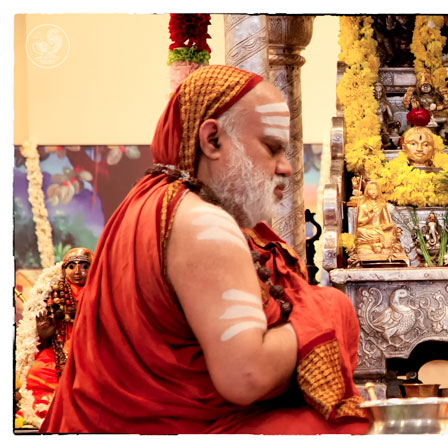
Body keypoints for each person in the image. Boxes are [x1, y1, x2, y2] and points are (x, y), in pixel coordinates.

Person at [41, 65, 369, 434]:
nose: (286, 167)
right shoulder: (203, 223)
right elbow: (247, 375)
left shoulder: (148, 203)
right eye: (272, 148)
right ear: (212, 140)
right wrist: (329, 311)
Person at [15, 248, 93, 428]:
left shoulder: (102, 293)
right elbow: (42, 342)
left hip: (93, 355)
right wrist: (44, 336)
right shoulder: (54, 293)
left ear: (94, 268)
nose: (78, 271)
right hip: (58, 354)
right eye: (71, 266)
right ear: (64, 269)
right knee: (38, 371)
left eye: (84, 266)